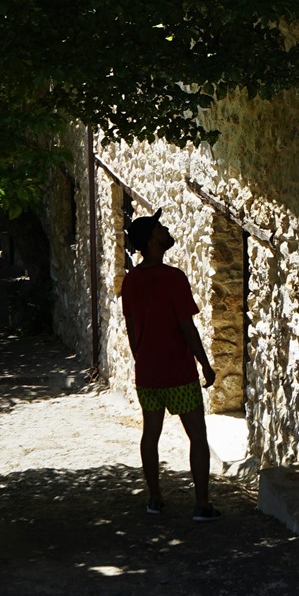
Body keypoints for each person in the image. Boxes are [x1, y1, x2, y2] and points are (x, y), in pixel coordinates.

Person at [119, 213, 219, 519]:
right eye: (161, 228)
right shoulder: (174, 278)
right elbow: (186, 327)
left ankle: (155, 499)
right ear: (152, 240)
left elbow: (131, 325)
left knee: (151, 434)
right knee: (197, 437)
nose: (166, 230)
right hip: (178, 372)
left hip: (147, 374)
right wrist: (204, 363)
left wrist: (142, 359)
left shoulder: (131, 281)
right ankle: (201, 504)